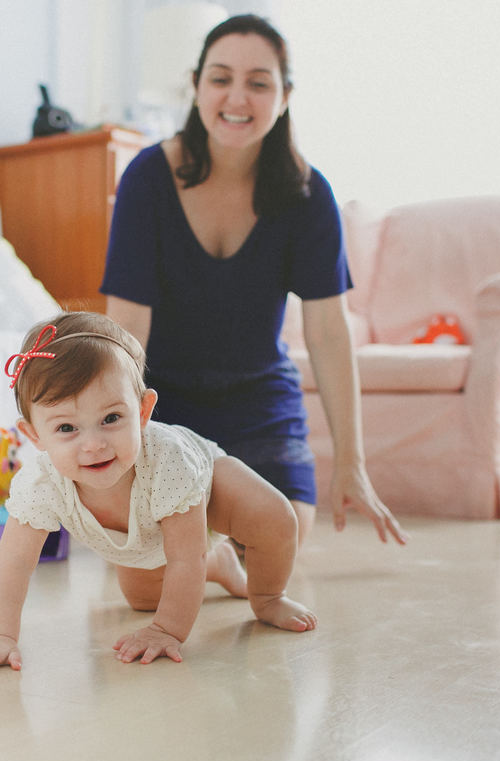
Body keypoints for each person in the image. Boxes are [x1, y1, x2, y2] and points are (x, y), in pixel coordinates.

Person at [102, 13, 406, 549]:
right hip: (162, 399)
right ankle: (203, 549)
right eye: (220, 78)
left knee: (280, 538)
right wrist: (115, 433)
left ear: (284, 96)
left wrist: (351, 464)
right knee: (150, 559)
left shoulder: (310, 196)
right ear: (196, 87)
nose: (236, 98)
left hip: (259, 398)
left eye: (258, 83)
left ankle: (212, 549)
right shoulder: (147, 179)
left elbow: (329, 334)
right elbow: (126, 326)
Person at [0, 311, 316, 670]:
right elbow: (12, 564)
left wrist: (166, 629)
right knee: (143, 598)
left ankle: (268, 596)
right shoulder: (41, 484)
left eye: (111, 419)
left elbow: (186, 558)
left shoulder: (169, 461)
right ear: (34, 436)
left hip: (205, 483)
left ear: (142, 411)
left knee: (274, 519)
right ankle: (217, 561)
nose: (93, 445)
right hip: (147, 538)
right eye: (67, 428)